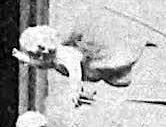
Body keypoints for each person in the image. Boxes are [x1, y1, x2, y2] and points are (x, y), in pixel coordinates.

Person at [12, 24, 155, 107]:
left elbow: (74, 69)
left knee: (117, 64)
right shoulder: (49, 58)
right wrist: (25, 58)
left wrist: (73, 90)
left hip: (90, 64)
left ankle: (139, 44)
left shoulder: (63, 53)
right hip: (87, 72)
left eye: (43, 48)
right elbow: (43, 64)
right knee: (115, 77)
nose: (44, 54)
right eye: (39, 53)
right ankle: (84, 94)